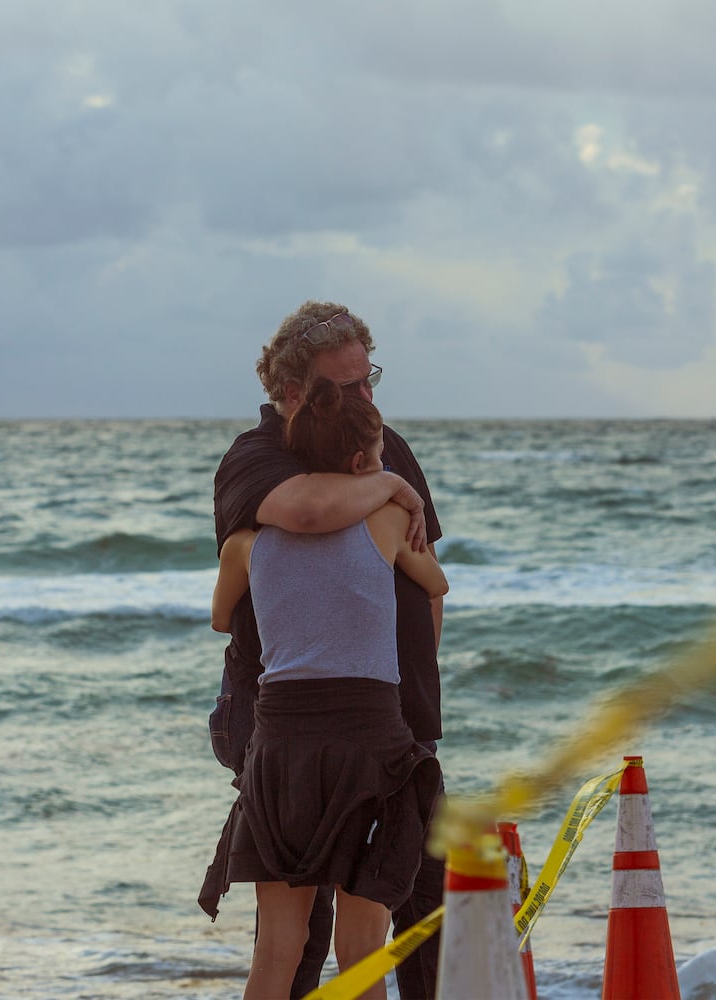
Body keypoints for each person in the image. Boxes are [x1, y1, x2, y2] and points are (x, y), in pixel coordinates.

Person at [198, 301, 449, 1000]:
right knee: (302, 941)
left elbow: (427, 583)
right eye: (347, 387)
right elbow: (306, 512)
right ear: (291, 392)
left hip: (388, 719)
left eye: (370, 380)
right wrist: (389, 485)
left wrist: (409, 694)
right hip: (280, 721)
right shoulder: (256, 458)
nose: (367, 399)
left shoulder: (385, 443)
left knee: (422, 900)